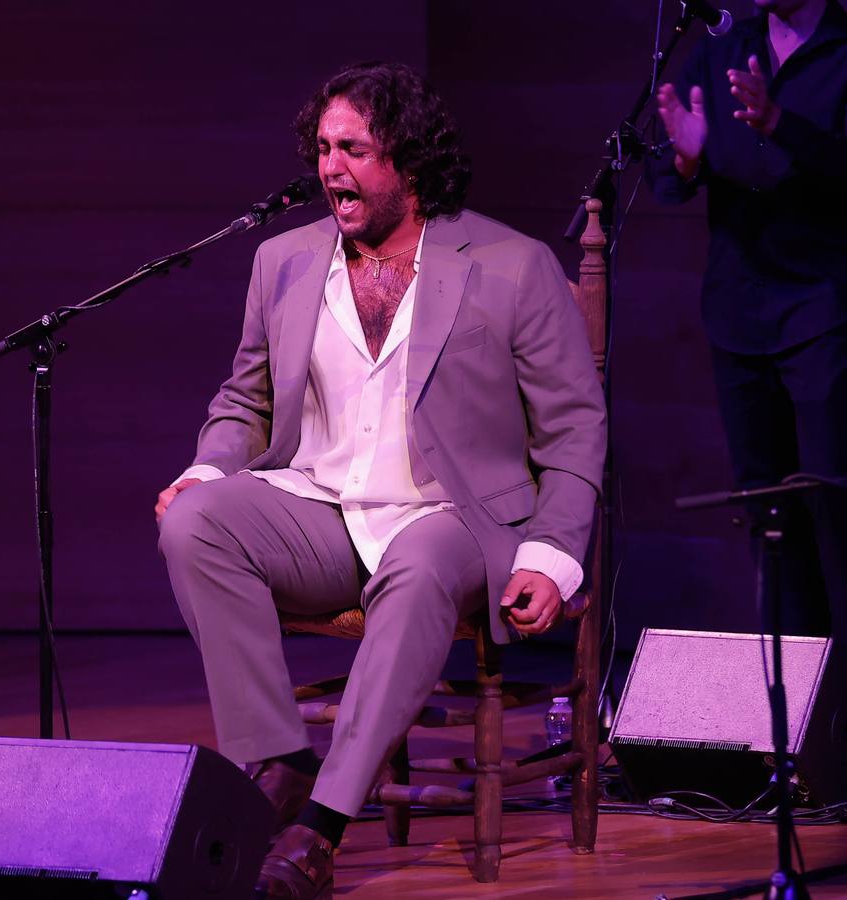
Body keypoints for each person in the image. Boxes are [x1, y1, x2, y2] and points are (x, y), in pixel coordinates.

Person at [155, 61, 606, 898]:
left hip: (455, 517)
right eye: (323, 148)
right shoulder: (283, 262)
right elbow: (243, 398)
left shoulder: (511, 264)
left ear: (406, 157)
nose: (331, 168)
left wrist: (553, 553)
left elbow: (575, 426)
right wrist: (206, 467)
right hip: (322, 508)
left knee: (421, 561)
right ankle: (280, 759)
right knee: (195, 523)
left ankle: (321, 828)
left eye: (353, 149)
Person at [651, 0, 846, 643]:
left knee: (832, 504)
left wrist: (780, 121)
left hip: (823, 308)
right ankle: (791, 705)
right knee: (766, 511)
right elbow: (667, 177)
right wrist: (686, 158)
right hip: (738, 311)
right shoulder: (722, 46)